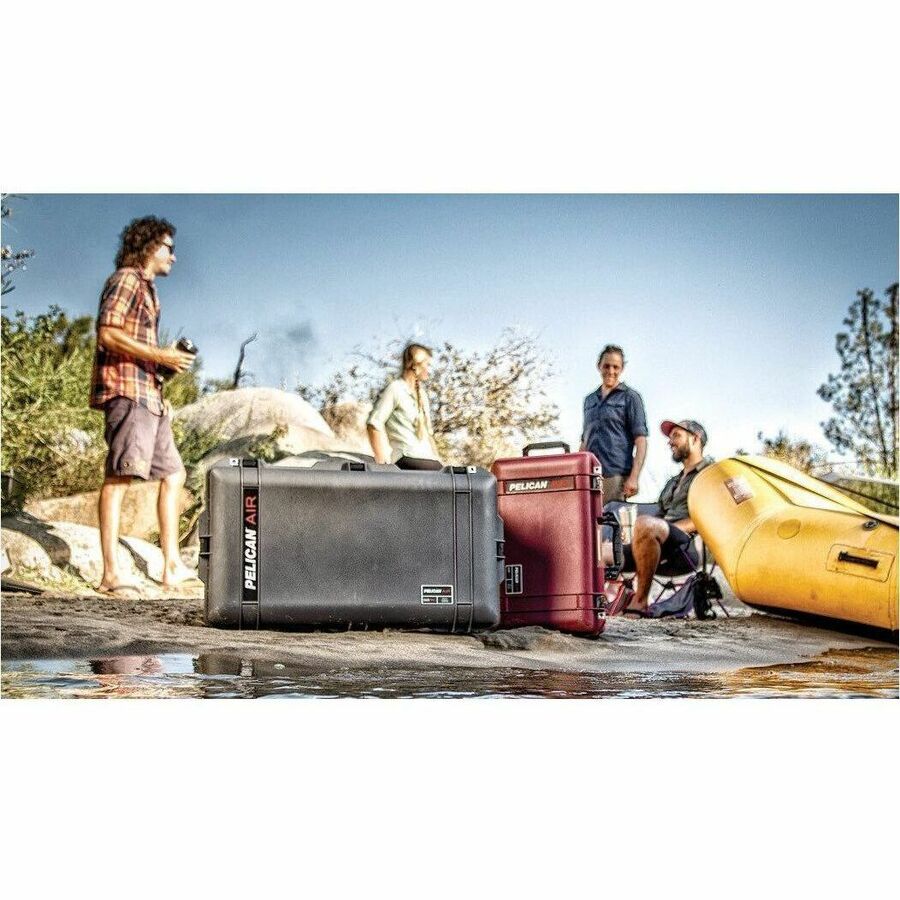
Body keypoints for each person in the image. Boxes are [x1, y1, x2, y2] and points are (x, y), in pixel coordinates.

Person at [90, 216, 198, 596]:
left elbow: (138, 348)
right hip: (127, 393)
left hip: (150, 396)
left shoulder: (150, 291)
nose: (174, 256)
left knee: (174, 475)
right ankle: (110, 574)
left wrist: (164, 369)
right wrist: (160, 355)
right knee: (119, 477)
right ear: (150, 246)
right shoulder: (125, 279)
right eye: (169, 248)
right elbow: (107, 333)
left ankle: (171, 567)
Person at [604, 419, 714, 615]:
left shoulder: (711, 474)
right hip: (655, 541)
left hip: (686, 546)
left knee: (646, 524)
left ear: (695, 438)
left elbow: (710, 516)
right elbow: (657, 514)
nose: (670, 442)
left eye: (676, 436)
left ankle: (640, 602)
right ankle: (606, 595)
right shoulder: (673, 482)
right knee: (603, 536)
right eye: (670, 438)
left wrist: (659, 529)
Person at [580, 344, 648, 502]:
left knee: (611, 517)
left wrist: (634, 477)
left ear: (622, 368)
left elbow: (641, 441)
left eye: (616, 367)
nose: (611, 371)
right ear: (599, 366)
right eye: (606, 366)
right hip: (590, 476)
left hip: (616, 475)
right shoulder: (589, 400)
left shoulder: (631, 397)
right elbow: (584, 441)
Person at [367, 343, 443, 470]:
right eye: (427, 364)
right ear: (415, 365)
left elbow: (428, 435)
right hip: (406, 457)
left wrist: (440, 462)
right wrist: (382, 466)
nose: (429, 369)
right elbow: (374, 424)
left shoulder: (422, 395)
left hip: (428, 458)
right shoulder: (395, 389)